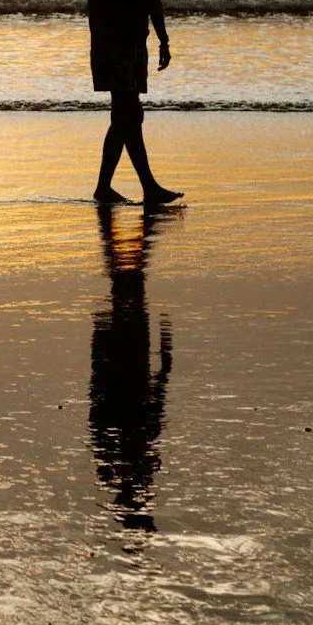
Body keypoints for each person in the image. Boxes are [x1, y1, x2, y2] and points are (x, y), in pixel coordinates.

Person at [87, 0, 181, 208]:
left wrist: (164, 41)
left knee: (122, 118)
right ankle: (149, 186)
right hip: (113, 48)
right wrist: (102, 51)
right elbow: (94, 10)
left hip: (138, 46)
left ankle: (103, 187)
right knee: (131, 114)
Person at [89, 203, 173, 531]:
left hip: (123, 366)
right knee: (130, 290)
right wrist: (165, 365)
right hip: (129, 365)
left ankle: (114, 227)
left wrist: (165, 365)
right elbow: (151, 414)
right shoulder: (125, 465)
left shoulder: (112, 466)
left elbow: (98, 408)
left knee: (128, 290)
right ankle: (116, 227)